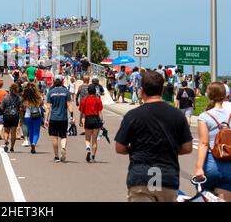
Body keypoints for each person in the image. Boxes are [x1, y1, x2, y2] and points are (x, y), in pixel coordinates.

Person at [115, 71, 193, 202]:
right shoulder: (177, 115)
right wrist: (170, 148)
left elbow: (119, 148)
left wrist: (136, 149)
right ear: (162, 90)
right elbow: (187, 147)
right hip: (167, 178)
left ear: (142, 91)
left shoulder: (133, 115)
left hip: (141, 178)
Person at [195, 82, 231, 202]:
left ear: (209, 95)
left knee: (204, 194)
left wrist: (199, 168)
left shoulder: (205, 116)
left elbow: (204, 143)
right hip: (229, 163)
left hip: (212, 162)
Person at [45, 76, 73, 163]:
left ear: (53, 81)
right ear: (62, 81)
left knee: (54, 137)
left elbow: (48, 108)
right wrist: (72, 116)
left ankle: (56, 157)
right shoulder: (66, 92)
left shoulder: (51, 92)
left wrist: (46, 119)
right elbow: (69, 106)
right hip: (63, 118)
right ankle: (63, 147)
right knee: (63, 136)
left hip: (53, 118)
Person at [80, 84, 104, 163]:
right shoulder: (98, 100)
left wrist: (81, 120)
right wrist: (102, 122)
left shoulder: (85, 99)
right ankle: (93, 157)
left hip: (88, 119)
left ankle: (88, 148)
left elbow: (82, 112)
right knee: (94, 140)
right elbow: (100, 112)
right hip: (96, 119)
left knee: (87, 139)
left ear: (88, 91)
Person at [22, 83, 44, 154]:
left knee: (30, 131)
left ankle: (31, 144)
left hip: (28, 116)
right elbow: (42, 104)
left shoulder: (25, 98)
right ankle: (34, 143)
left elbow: (24, 106)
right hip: (37, 115)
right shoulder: (39, 97)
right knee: (36, 131)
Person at [1, 83, 22, 153]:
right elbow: (20, 108)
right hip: (15, 116)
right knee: (13, 132)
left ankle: (6, 140)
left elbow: (1, 107)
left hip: (6, 115)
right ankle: (12, 148)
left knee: (6, 131)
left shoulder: (6, 97)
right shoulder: (19, 98)